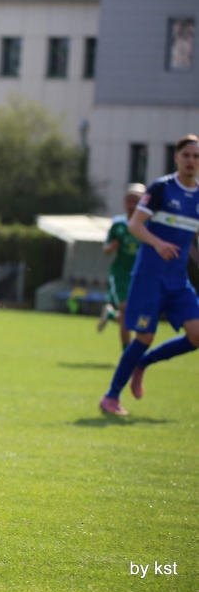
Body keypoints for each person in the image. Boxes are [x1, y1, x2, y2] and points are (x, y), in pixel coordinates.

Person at [99, 135, 199, 415]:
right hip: (150, 277)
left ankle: (143, 363)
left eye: (196, 156)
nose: (191, 161)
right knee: (144, 336)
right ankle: (111, 397)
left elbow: (193, 239)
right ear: (176, 158)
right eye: (186, 155)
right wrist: (158, 243)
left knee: (197, 335)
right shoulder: (161, 188)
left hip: (178, 281)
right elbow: (135, 225)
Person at [97, 184, 146, 347]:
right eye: (129, 200)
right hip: (121, 273)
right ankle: (127, 355)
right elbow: (106, 248)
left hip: (142, 274)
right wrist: (110, 248)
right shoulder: (118, 223)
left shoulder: (148, 223)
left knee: (133, 316)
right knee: (126, 309)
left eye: (136, 201)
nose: (132, 204)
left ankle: (111, 315)